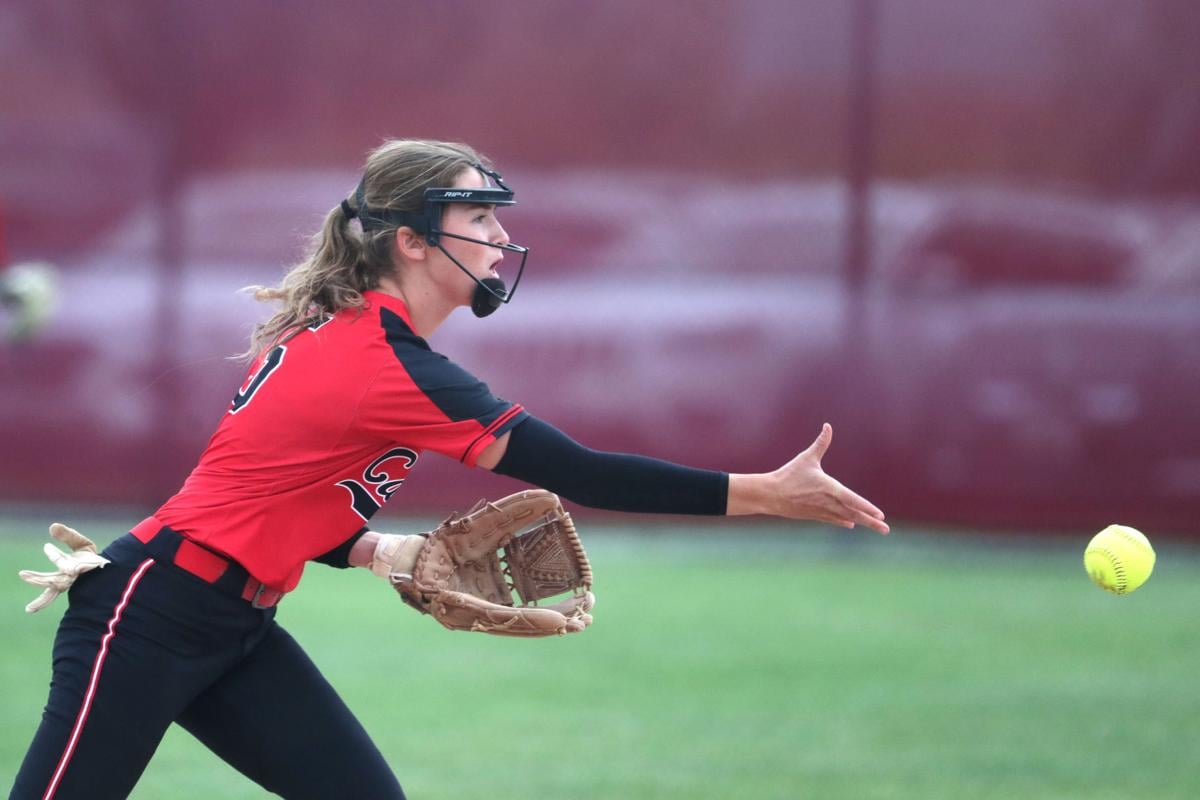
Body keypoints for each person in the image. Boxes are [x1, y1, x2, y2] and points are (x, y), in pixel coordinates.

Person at [11, 139, 888, 800]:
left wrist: (374, 550)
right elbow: (581, 472)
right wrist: (764, 494)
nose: (502, 238)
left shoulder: (362, 344)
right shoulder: (382, 364)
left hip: (232, 623)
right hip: (148, 612)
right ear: (413, 242)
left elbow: (270, 500)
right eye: (479, 218)